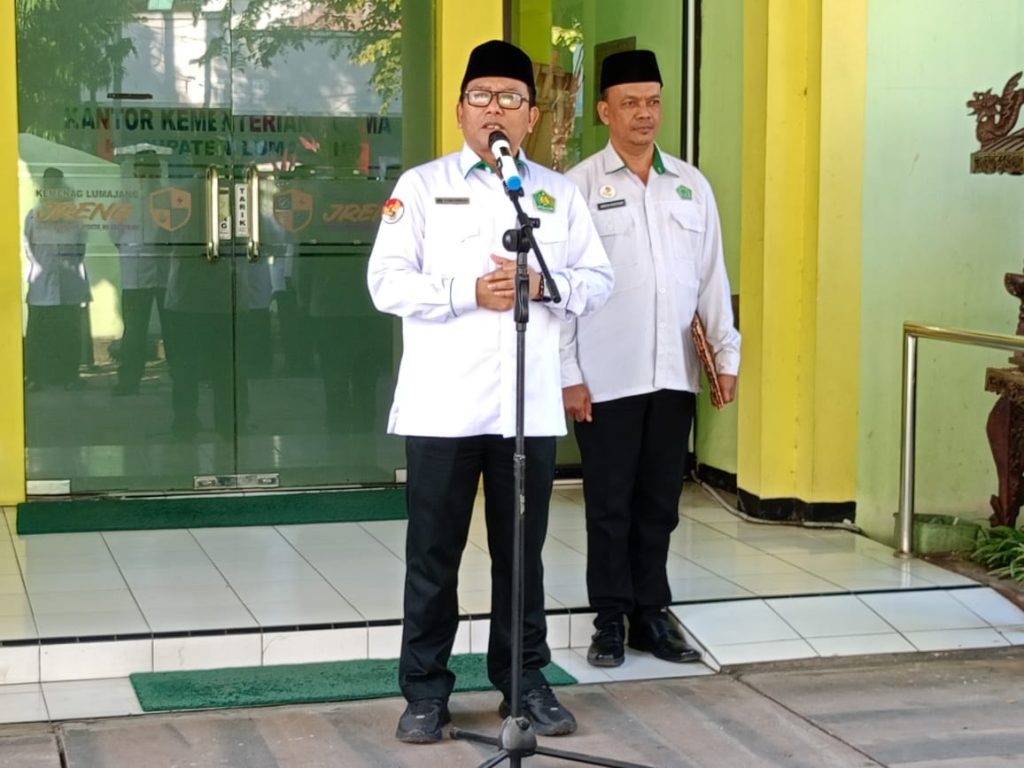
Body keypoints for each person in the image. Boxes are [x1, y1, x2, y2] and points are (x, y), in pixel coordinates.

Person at [367, 39, 613, 744]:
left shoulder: (556, 194)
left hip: (525, 408)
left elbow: (599, 280)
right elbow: (386, 282)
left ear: (532, 116)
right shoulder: (420, 186)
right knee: (433, 557)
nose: (494, 110)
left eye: (510, 98)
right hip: (443, 406)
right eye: (481, 97)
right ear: (460, 111)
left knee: (521, 556)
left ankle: (524, 682)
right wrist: (465, 292)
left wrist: (545, 284)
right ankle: (424, 692)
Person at [561, 50, 741, 668]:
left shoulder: (690, 185)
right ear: (604, 110)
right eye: (631, 103)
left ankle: (651, 616)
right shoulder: (579, 187)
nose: (645, 114)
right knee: (609, 504)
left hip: (674, 374)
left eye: (654, 102)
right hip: (605, 377)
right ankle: (609, 620)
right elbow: (563, 293)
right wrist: (568, 374)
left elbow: (711, 278)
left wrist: (726, 355)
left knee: (660, 503)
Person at [23, 167, 91, 390]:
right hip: (42, 283)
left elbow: (81, 247)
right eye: (49, 186)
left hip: (69, 281)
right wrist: (40, 266)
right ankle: (35, 378)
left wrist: (69, 267)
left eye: (56, 186)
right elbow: (28, 247)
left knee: (69, 332)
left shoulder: (75, 215)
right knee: (38, 334)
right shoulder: (34, 215)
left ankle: (69, 377)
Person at [111, 153, 169, 396]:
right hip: (135, 274)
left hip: (165, 273)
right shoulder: (125, 200)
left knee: (174, 328)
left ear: (158, 172)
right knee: (134, 331)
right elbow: (114, 234)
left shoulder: (168, 199)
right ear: (135, 172)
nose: (147, 175)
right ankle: (129, 381)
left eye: (152, 170)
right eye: (143, 170)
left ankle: (182, 377)